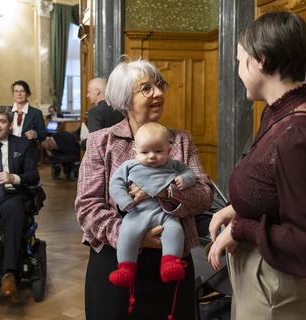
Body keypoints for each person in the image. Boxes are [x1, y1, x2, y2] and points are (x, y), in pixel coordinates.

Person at [75, 58, 213, 320]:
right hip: (116, 262)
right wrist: (131, 235)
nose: (158, 93)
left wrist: (161, 189)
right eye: (146, 88)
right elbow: (87, 207)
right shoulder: (100, 142)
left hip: (172, 262)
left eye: (159, 85)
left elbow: (205, 196)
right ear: (125, 98)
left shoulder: (181, 141)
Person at [207, 11, 306, 320]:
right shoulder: (277, 113)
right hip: (262, 279)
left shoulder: (295, 132)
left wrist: (240, 227)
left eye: (240, 60)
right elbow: (276, 188)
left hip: (277, 286)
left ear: (261, 60)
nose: (237, 70)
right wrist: (236, 207)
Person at [109, 122, 196, 314]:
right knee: (127, 232)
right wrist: (125, 202)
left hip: (164, 212)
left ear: (169, 149)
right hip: (137, 212)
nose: (152, 156)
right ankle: (126, 268)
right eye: (145, 152)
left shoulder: (173, 165)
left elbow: (191, 175)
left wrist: (185, 180)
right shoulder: (128, 166)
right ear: (135, 150)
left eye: (158, 151)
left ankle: (170, 262)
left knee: (175, 230)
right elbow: (115, 185)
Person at [0, 105, 40, 297]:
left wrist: (14, 178)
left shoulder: (22, 144)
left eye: (1, 121)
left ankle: (9, 273)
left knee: (15, 211)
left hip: (12, 195)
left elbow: (34, 176)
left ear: (9, 124)